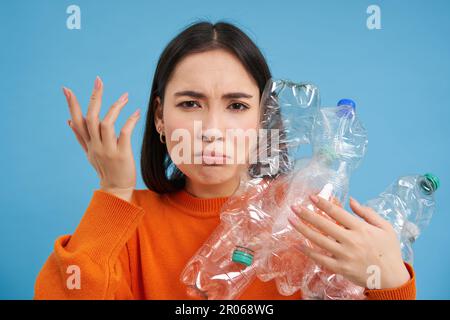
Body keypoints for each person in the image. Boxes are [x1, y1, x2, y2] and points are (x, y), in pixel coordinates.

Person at [34, 21, 415, 300]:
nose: (212, 129)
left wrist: (388, 278)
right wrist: (113, 192)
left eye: (236, 105)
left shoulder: (305, 219)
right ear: (159, 118)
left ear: (264, 118)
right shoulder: (124, 223)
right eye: (190, 103)